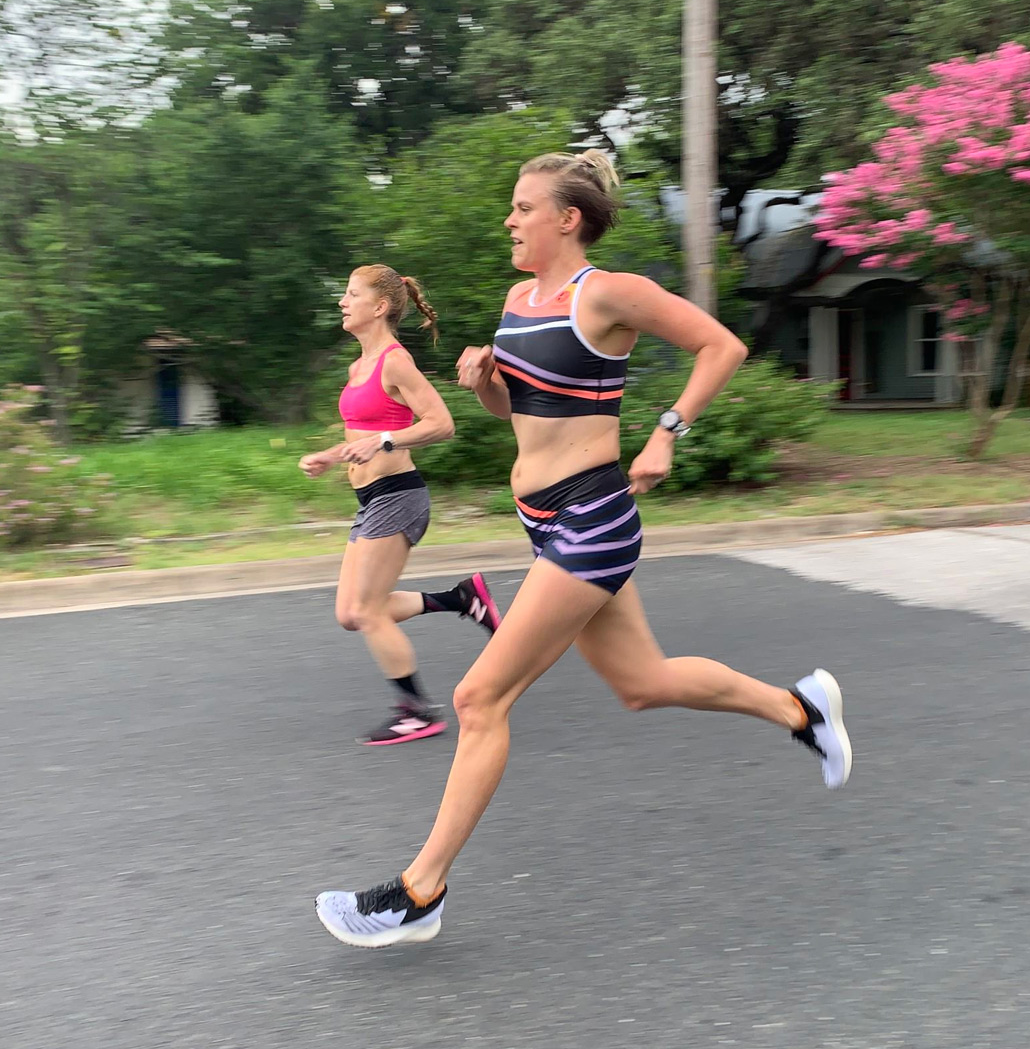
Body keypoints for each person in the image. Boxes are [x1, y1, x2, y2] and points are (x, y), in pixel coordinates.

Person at [314, 155, 852, 948]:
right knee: (642, 683)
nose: (509, 219)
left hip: (594, 517)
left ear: (567, 218)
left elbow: (722, 347)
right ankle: (800, 708)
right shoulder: (516, 300)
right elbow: (522, 412)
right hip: (541, 516)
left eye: (522, 207)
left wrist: (668, 433)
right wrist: (483, 384)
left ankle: (418, 892)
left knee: (477, 700)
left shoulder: (606, 292)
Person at [299, 264, 502, 746]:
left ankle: (417, 711)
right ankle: (461, 599)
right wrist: (332, 456)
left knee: (368, 612)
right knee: (351, 613)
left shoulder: (395, 361)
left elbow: (442, 422)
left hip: (399, 497)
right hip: (370, 499)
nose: (343, 302)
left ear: (380, 306)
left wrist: (385, 442)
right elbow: (362, 435)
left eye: (351, 295)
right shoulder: (358, 367)